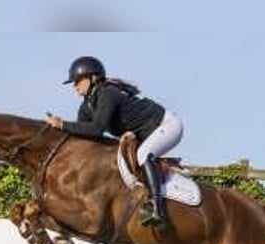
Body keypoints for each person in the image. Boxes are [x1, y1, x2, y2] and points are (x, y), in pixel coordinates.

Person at [46, 56, 183, 228]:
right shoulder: (86, 107)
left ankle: (157, 208)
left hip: (167, 125)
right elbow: (82, 137)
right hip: (146, 134)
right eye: (73, 83)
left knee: (143, 156)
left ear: (93, 77)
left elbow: (96, 129)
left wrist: (62, 124)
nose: (75, 87)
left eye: (78, 81)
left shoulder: (108, 93)